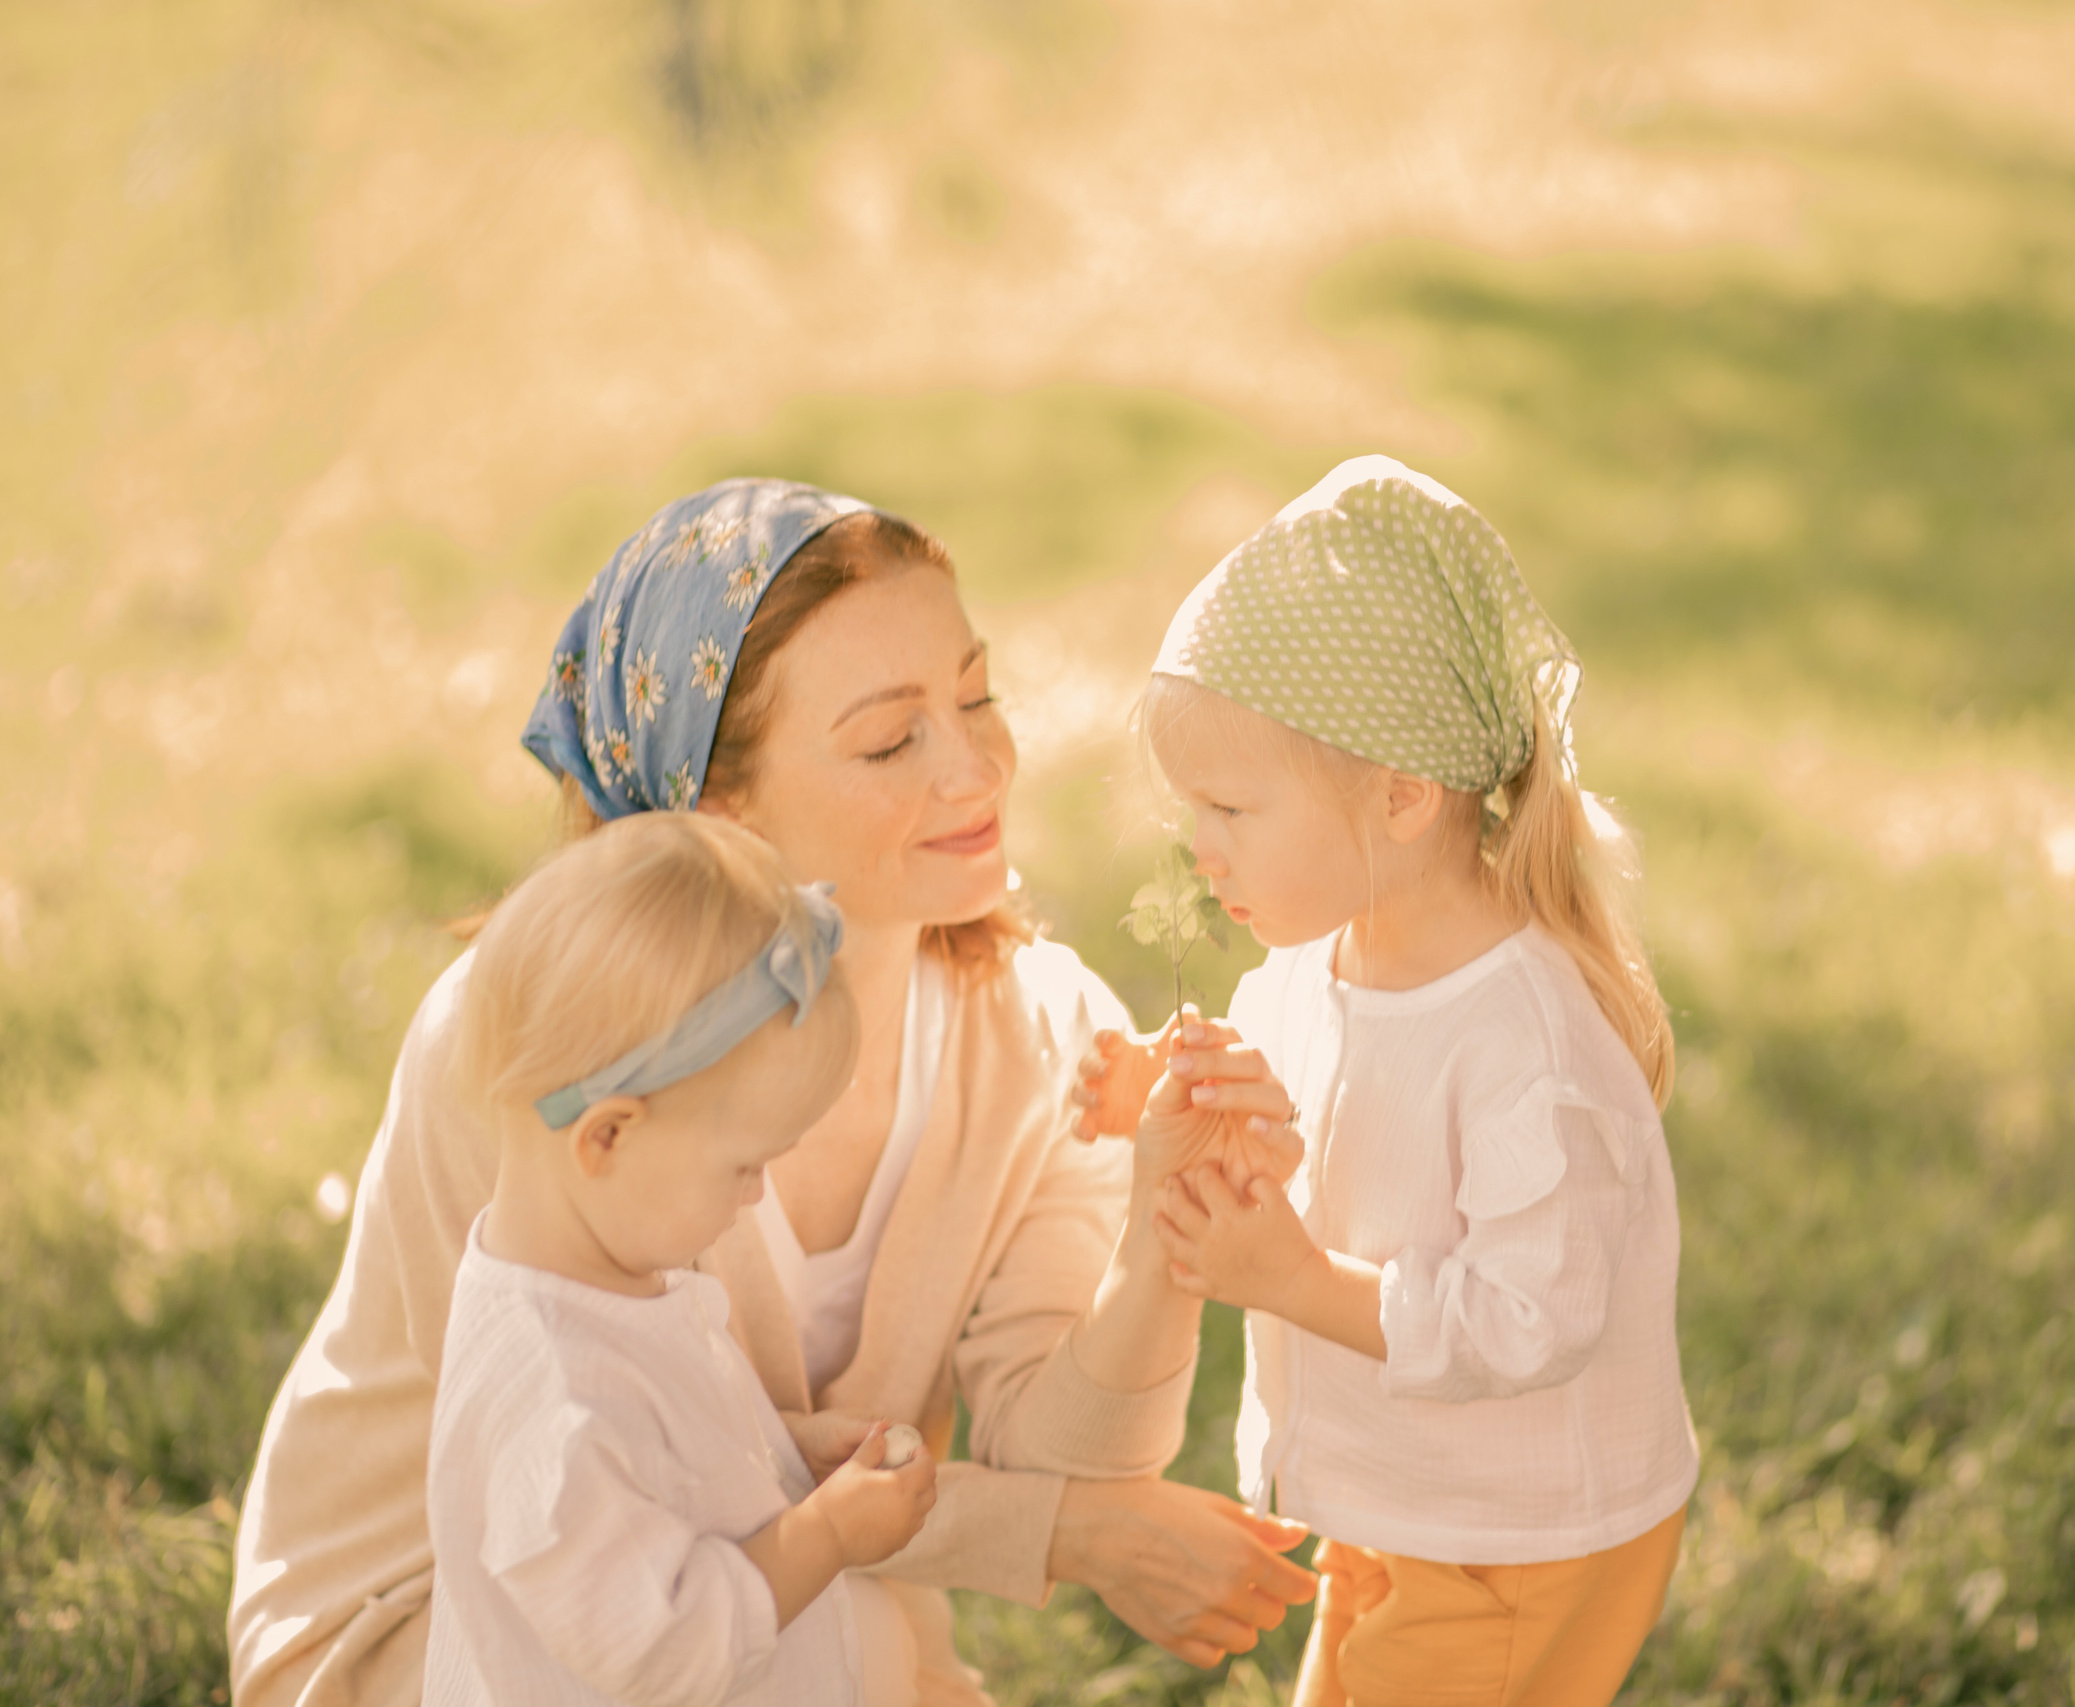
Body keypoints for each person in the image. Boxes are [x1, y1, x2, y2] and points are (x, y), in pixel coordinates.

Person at [231, 479, 1316, 1707]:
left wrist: (1164, 1240)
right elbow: (605, 1481)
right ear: (716, 804)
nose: (976, 767)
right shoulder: (541, 1050)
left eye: (974, 698)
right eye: (891, 740)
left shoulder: (1044, 1041)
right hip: (471, 1619)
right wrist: (1064, 1536)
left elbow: (1063, 1452)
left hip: (782, 1599)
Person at [1081, 458, 1701, 1707]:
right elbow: (1297, 1087)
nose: (1200, 850)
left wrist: (1298, 1283)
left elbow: (1530, 1317)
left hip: (1514, 1540)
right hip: (1406, 1501)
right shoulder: (1316, 956)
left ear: (1401, 798)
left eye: (1230, 809)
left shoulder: (1526, 1044)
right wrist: (1178, 1085)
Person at [425, 811, 937, 1705]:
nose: (756, 1194)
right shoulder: (554, 1404)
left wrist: (774, 1450)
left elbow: (660, 1466)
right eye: (744, 1166)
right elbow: (664, 1648)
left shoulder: (600, 1279)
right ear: (608, 1136)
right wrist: (825, 1533)